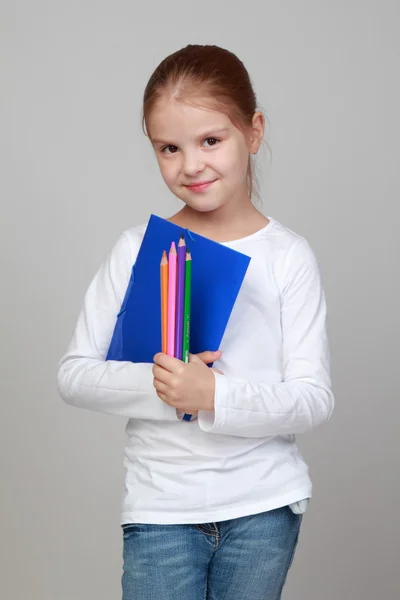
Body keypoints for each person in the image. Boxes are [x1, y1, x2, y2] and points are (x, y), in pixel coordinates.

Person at [57, 44, 334, 600]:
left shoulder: (287, 256)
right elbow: (74, 375)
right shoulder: (139, 248)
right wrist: (164, 385)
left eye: (211, 140)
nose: (190, 165)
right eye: (168, 148)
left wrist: (214, 394)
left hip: (263, 506)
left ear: (253, 132)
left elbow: (312, 398)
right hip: (162, 506)